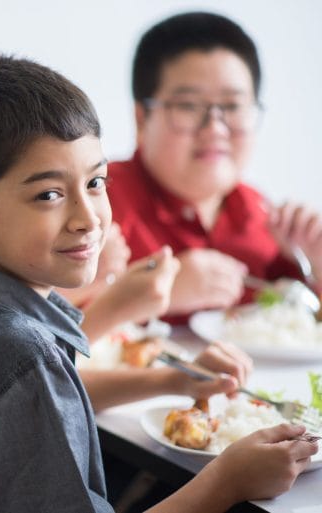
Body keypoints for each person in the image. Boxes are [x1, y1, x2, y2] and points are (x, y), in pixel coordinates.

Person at [0, 54, 317, 513]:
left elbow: (44, 396)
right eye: (49, 195)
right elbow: (31, 384)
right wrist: (228, 480)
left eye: (96, 182)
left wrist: (173, 380)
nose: (88, 219)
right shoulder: (20, 358)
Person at [108, 11, 322, 323]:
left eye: (233, 106)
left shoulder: (264, 217)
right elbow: (39, 321)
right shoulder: (98, 202)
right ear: (142, 118)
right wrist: (154, 294)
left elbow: (304, 323)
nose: (215, 129)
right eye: (188, 106)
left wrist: (316, 264)